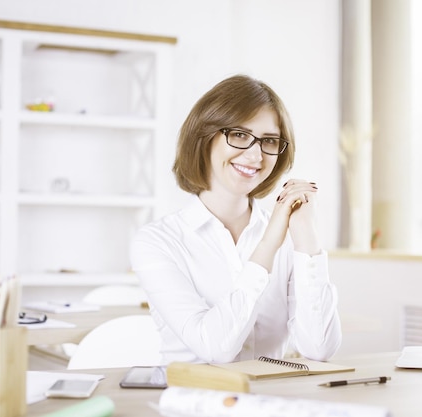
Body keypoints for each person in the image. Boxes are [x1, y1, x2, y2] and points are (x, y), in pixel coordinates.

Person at [130, 74, 342, 365]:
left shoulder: (290, 235)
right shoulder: (157, 242)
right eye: (240, 135)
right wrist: (268, 246)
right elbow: (215, 348)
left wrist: (306, 235)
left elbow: (319, 348)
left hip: (270, 404)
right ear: (204, 137)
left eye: (269, 141)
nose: (255, 155)